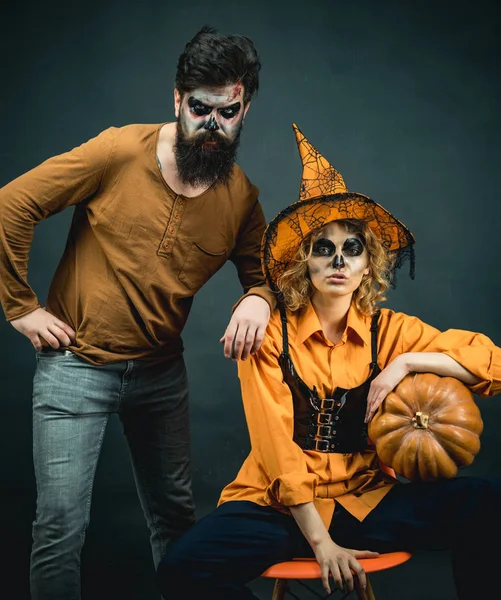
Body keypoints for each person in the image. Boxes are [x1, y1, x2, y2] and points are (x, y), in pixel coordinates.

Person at [156, 123, 501, 600]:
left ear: (367, 264)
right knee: (182, 569)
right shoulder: (270, 334)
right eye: (324, 248)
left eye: (351, 249)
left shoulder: (393, 333)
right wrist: (322, 544)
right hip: (280, 509)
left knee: (485, 503)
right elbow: (276, 445)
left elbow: (495, 366)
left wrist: (409, 363)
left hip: (364, 503)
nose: (339, 260)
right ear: (305, 262)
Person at [0, 26, 275, 600]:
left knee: (176, 524)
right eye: (200, 108)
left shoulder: (241, 198)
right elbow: (11, 204)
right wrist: (18, 306)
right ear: (177, 99)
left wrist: (258, 297)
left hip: (160, 375)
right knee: (59, 530)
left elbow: (268, 274)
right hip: (75, 368)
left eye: (228, 112)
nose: (212, 125)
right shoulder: (119, 150)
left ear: (244, 107)